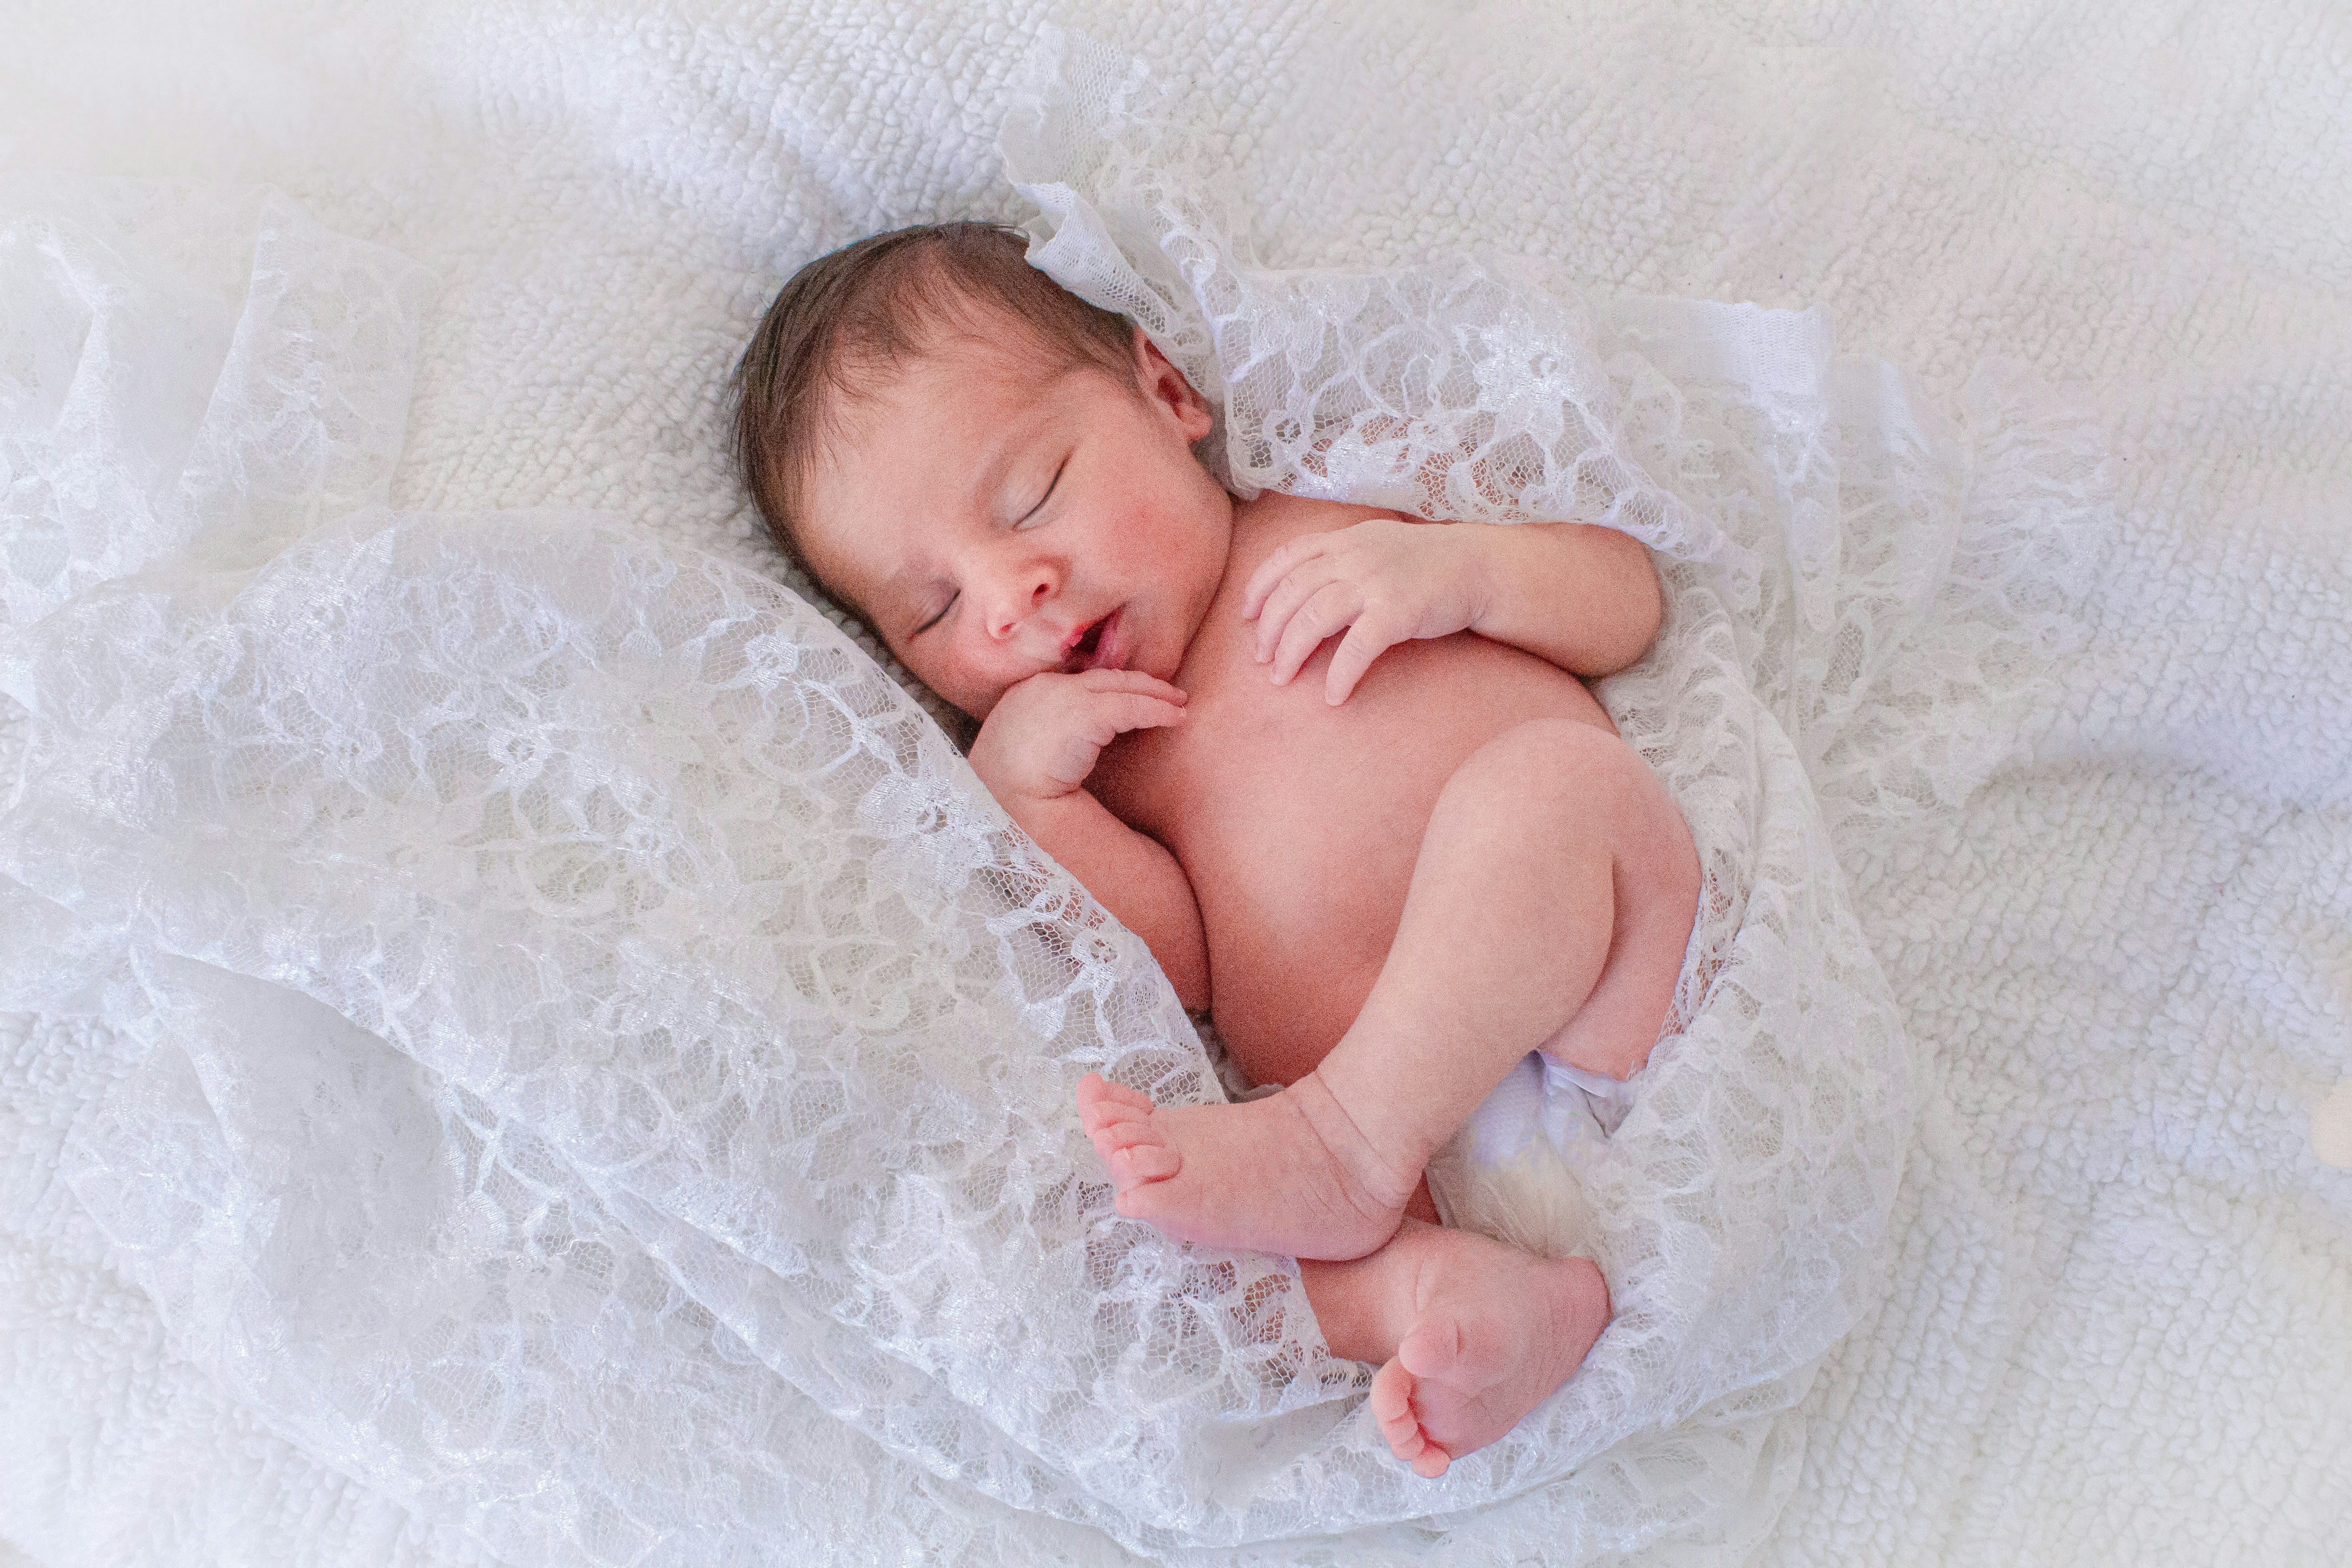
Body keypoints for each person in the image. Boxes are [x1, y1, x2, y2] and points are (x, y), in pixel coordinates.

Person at [734, 222, 1700, 1477]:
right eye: (935, 610)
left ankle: (1352, 1148)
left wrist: (1461, 569)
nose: (1009, 598)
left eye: (1030, 497)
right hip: (1415, 1170)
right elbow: (1178, 970)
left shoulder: (1340, 511)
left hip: (1602, 997)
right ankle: (1450, 1301)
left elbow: (1626, 599)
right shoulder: (1108, 760)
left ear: (1168, 392)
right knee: (1126, 1229)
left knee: (1556, 789)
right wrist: (1032, 806)